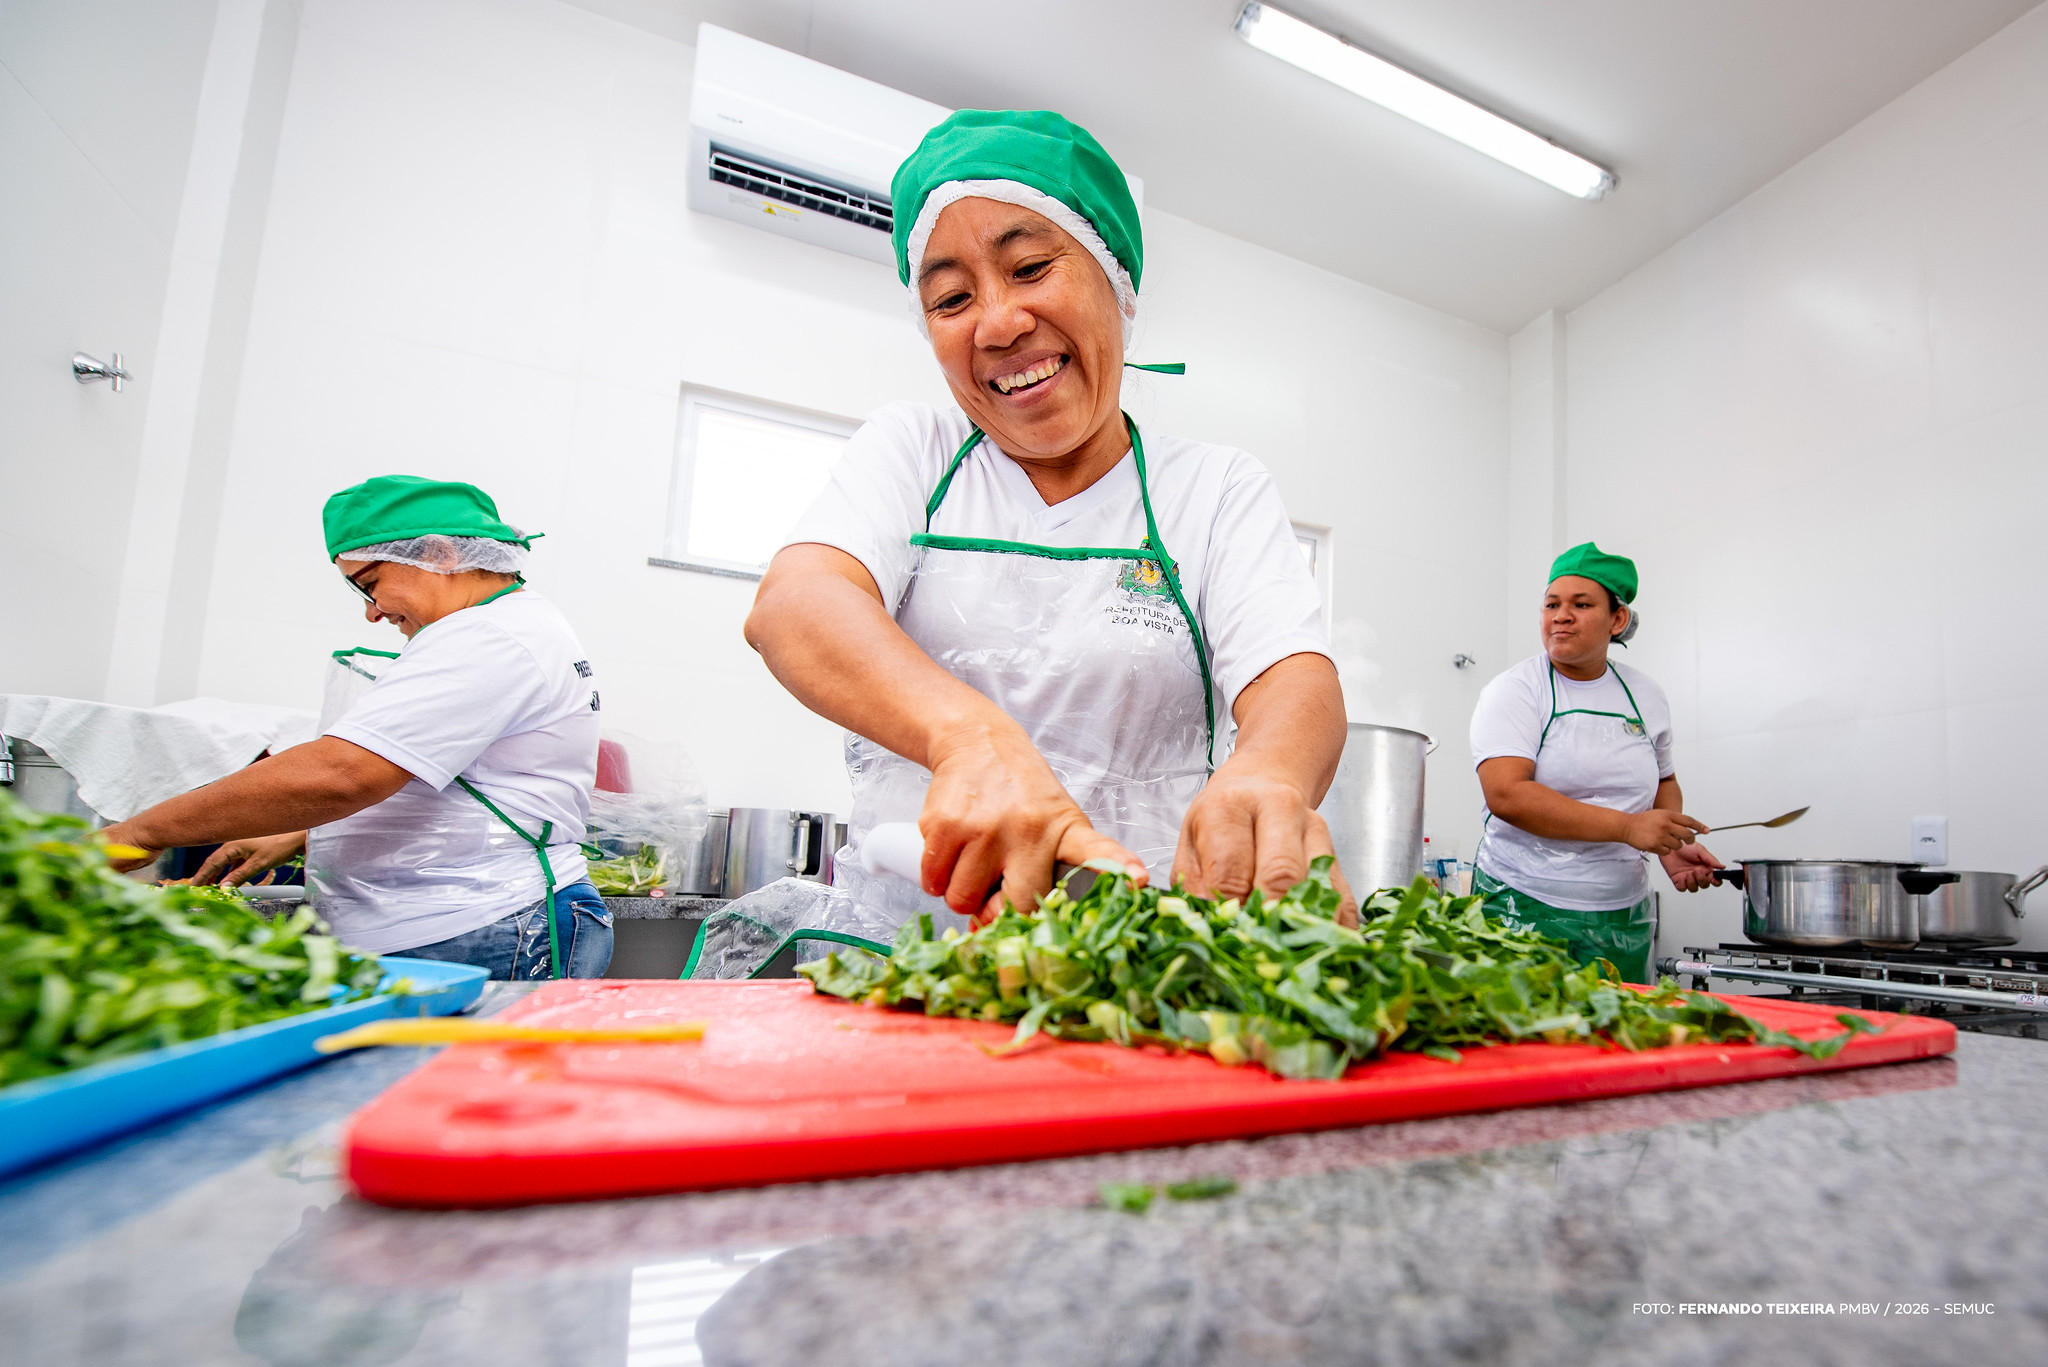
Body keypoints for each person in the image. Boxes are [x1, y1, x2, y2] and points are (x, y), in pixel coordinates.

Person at [744, 108, 1352, 934]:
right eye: (952, 298)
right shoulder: (914, 451)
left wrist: (1269, 774)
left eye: (1030, 267)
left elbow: (1293, 676)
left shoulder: (1213, 488)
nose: (998, 323)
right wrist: (970, 739)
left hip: (1132, 956)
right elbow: (795, 603)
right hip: (902, 954)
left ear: (1116, 279)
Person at [101, 476, 611, 979]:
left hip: (487, 924)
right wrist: (304, 831)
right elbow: (460, 779)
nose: (372, 613)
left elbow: (342, 773)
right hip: (465, 921)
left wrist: (136, 835)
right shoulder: (507, 626)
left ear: (439, 554)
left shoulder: (488, 635)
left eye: (370, 585)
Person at [1468, 542, 1722, 983]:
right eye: (1552, 604)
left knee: (1616, 1022)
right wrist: (1628, 828)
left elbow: (1664, 780)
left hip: (1621, 913)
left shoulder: (1645, 695)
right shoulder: (1517, 690)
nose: (1561, 616)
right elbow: (1507, 795)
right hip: (1522, 903)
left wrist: (1669, 844)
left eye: (1581, 605)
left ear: (1617, 619)